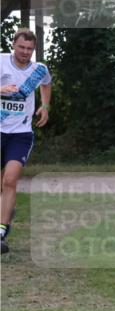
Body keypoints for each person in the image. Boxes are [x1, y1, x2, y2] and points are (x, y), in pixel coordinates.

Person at [1, 28, 52, 255]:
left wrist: (45, 105)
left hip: (21, 134)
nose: (25, 52)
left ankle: (1, 231)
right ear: (14, 45)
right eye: (21, 47)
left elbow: (46, 83)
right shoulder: (1, 62)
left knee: (10, 181)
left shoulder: (38, 70)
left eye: (30, 49)